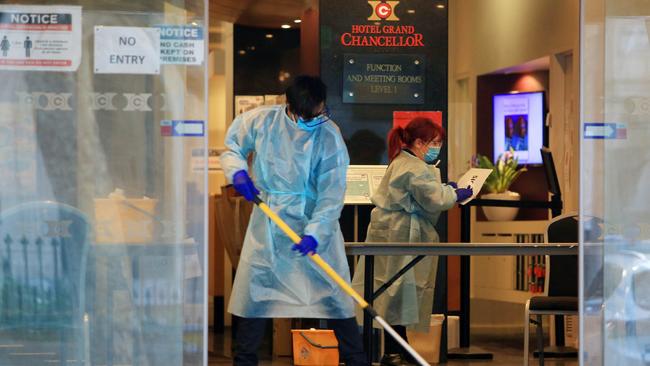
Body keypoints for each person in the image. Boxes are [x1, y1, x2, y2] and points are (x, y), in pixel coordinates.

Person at [220, 75, 367, 366]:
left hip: (313, 224)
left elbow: (331, 193)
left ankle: (356, 360)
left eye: (318, 113)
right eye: (306, 115)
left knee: (335, 296)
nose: (313, 120)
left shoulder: (329, 135)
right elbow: (232, 147)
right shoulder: (262, 121)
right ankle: (244, 360)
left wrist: (316, 233)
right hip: (269, 225)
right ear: (290, 106)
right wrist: (237, 173)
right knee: (256, 295)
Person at [351, 118, 472, 366]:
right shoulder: (413, 167)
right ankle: (396, 351)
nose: (438, 147)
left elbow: (425, 192)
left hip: (393, 232)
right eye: (435, 143)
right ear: (419, 142)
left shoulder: (404, 161)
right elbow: (435, 199)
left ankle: (400, 348)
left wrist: (444, 189)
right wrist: (454, 193)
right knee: (394, 292)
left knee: (393, 293)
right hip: (400, 234)